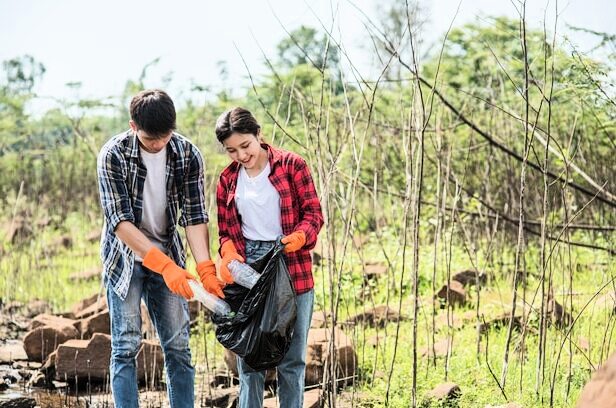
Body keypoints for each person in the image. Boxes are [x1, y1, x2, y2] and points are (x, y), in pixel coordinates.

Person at [96, 89, 222, 407]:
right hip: (125, 259)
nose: (158, 144)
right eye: (151, 139)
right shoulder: (113, 154)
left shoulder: (187, 154)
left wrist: (204, 267)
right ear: (133, 126)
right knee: (125, 345)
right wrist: (161, 264)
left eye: (164, 137)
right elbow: (120, 221)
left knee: (178, 345)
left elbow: (194, 216)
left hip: (169, 254)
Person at [209, 107, 324, 408]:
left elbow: (313, 214)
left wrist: (299, 236)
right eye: (232, 150)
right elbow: (225, 233)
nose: (241, 155)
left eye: (245, 145)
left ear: (259, 134)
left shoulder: (292, 165)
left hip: (290, 261)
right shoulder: (227, 181)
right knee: (250, 358)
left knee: (292, 359)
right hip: (249, 269)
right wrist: (227, 251)